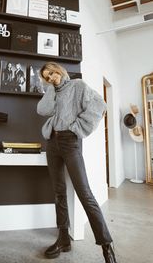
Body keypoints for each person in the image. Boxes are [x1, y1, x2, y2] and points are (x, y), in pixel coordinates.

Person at [37, 62, 117, 263]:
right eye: (46, 76)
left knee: (85, 193)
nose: (51, 77)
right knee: (59, 192)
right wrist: (50, 89)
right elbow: (42, 110)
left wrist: (76, 127)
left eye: (52, 73)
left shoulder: (78, 86)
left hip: (70, 141)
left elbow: (100, 105)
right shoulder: (51, 91)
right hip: (52, 142)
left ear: (60, 70)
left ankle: (106, 246)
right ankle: (63, 239)